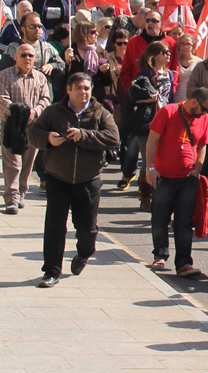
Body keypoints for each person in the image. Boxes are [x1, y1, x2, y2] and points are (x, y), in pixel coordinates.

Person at [30, 72, 119, 287]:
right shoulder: (53, 112)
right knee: (54, 227)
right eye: (79, 88)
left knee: (87, 229)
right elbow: (32, 132)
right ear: (68, 90)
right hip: (57, 178)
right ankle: (51, 271)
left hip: (88, 180)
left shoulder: (100, 113)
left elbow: (113, 138)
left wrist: (84, 135)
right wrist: (48, 139)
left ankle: (84, 253)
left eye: (87, 88)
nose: (84, 92)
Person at [145, 88, 208, 278]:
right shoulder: (168, 111)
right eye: (204, 109)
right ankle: (160, 254)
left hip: (188, 178)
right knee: (160, 217)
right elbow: (152, 140)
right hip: (164, 176)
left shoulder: (204, 118)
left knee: (184, 221)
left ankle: (184, 263)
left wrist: (198, 168)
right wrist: (150, 168)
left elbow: (202, 145)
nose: (205, 113)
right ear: (193, 101)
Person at [0, 43, 51, 214]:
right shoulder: (4, 76)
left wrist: (35, 111)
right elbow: (2, 98)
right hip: (11, 126)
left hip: (33, 127)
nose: (27, 58)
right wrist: (19, 113)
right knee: (13, 163)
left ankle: (22, 191)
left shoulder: (40, 78)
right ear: (16, 57)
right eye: (23, 55)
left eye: (30, 55)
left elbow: (45, 99)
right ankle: (11, 197)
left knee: (28, 163)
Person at [129, 41, 177, 212]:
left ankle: (159, 196)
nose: (168, 55)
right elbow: (133, 96)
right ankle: (145, 197)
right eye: (165, 52)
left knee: (160, 159)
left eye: (169, 52)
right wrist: (150, 99)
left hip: (166, 119)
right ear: (155, 55)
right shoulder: (145, 73)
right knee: (147, 160)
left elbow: (170, 97)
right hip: (147, 120)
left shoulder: (170, 74)